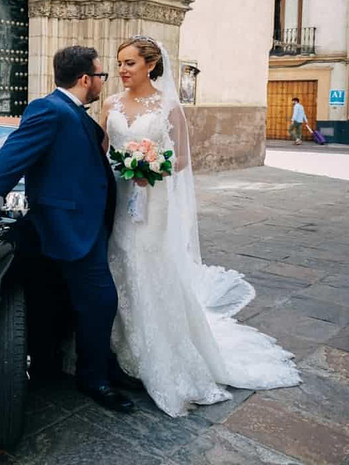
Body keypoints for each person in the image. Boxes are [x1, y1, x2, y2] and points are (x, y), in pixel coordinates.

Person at [101, 35, 301, 417]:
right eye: (120, 63)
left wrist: (148, 167)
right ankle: (118, 348)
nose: (122, 70)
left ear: (150, 65)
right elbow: (103, 148)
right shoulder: (110, 104)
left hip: (152, 201)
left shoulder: (169, 106)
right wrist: (121, 168)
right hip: (119, 198)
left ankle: (157, 355)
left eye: (130, 63)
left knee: (146, 264)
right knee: (119, 262)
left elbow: (180, 161)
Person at [0, 46, 141, 414]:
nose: (103, 81)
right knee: (101, 301)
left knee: (79, 301)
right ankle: (94, 379)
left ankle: (90, 366)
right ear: (85, 79)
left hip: (86, 223)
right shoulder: (49, 109)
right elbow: (12, 156)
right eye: (101, 75)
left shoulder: (72, 111)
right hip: (67, 226)